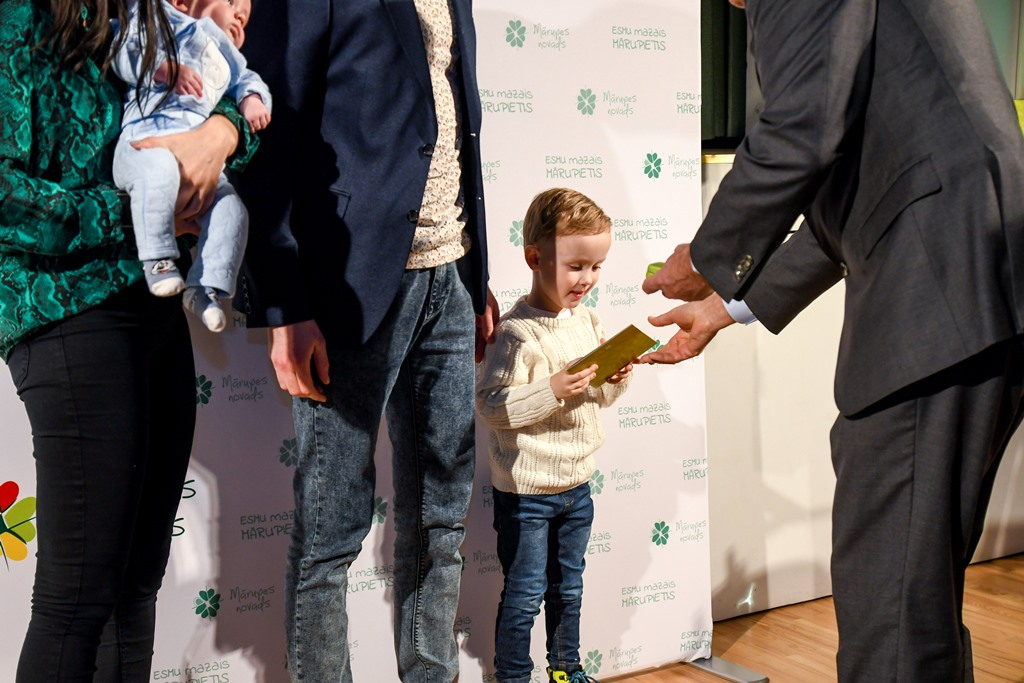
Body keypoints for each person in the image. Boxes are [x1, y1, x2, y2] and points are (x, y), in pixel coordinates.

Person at [641, 0, 1024, 681]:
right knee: (916, 590)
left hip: (936, 287)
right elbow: (851, 179)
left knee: (893, 610)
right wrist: (728, 304)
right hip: (979, 277)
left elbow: (803, 132)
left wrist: (708, 254)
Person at [234, 1, 498, 681]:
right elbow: (267, 128)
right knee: (330, 531)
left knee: (440, 521)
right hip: (346, 286)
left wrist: (478, 272)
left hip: (451, 274)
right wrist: (285, 306)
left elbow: (456, 127)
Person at [0, 0, 256, 679]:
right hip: (62, 307)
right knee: (75, 600)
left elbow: (222, 99)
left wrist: (223, 133)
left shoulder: (148, 12)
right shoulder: (14, 20)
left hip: (151, 305)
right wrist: (130, 212)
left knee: (134, 589)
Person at [476, 188, 632, 683]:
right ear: (535, 258)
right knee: (524, 592)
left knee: (569, 588)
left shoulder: (587, 321)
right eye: (576, 266)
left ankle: (566, 670)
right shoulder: (517, 333)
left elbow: (595, 402)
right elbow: (490, 405)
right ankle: (513, 677)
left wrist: (615, 376)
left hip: (577, 488)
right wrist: (551, 389)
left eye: (597, 267)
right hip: (527, 495)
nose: (587, 280)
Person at [112, 0, 271, 332]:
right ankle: (157, 261)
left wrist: (253, 100)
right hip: (144, 144)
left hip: (198, 164)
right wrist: (162, 67)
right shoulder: (155, 19)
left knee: (232, 210)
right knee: (157, 173)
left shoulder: (227, 55)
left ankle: (203, 287)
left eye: (246, 13)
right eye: (231, 3)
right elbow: (121, 46)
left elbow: (247, 81)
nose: (241, 14)